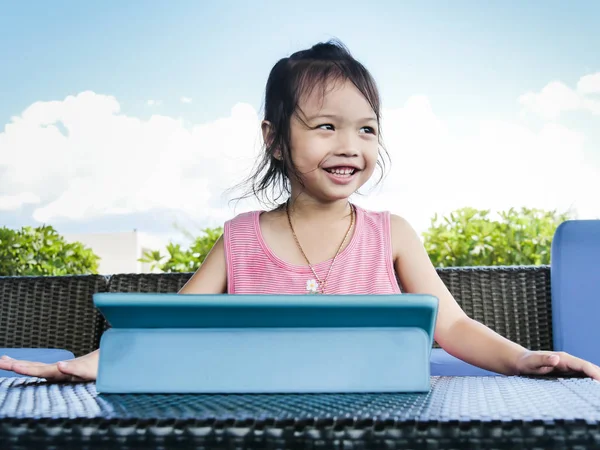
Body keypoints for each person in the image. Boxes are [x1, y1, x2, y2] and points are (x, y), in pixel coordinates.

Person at [2, 40, 599, 383]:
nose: (350, 146)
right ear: (274, 138)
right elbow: (169, 327)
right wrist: (83, 365)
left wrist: (523, 359)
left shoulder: (392, 234)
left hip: (387, 411)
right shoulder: (238, 238)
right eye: (325, 127)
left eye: (367, 128)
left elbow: (454, 327)